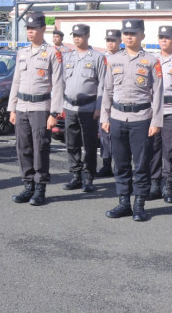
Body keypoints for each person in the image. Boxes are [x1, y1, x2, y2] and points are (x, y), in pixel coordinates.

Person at [101, 19, 163, 222]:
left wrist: (156, 122)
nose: (129, 37)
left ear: (142, 36)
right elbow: (107, 91)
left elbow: (158, 94)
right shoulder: (113, 60)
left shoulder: (152, 60)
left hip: (142, 118)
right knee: (120, 163)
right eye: (126, 33)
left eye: (133, 33)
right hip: (117, 117)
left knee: (141, 163)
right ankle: (124, 203)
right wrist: (105, 117)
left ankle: (139, 204)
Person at [8, 13, 64, 206]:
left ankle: (40, 188)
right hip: (22, 106)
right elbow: (16, 81)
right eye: (28, 28)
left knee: (40, 148)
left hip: (41, 107)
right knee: (23, 147)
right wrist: (12, 109)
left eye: (33, 28)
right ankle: (28, 185)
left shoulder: (52, 52)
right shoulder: (22, 52)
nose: (30, 31)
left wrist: (54, 113)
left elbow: (58, 84)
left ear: (43, 29)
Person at [61, 24, 106, 193]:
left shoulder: (97, 57)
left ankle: (88, 177)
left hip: (89, 107)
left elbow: (103, 84)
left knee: (89, 144)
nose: (76, 38)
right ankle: (76, 175)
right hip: (70, 106)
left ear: (87, 35)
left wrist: (99, 108)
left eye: (80, 35)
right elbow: (62, 82)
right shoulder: (68, 57)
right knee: (71, 143)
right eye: (74, 35)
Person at [149, 25, 172, 203]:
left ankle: (168, 185)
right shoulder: (151, 59)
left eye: (168, 37)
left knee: (170, 149)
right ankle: (154, 183)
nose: (164, 40)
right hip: (153, 110)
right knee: (153, 148)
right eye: (161, 37)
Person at [96, 29, 121, 178]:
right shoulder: (102, 58)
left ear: (119, 41)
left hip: (118, 101)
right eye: (108, 40)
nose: (110, 43)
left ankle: (119, 165)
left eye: (113, 40)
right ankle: (106, 164)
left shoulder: (123, 57)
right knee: (105, 135)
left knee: (118, 136)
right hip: (104, 101)